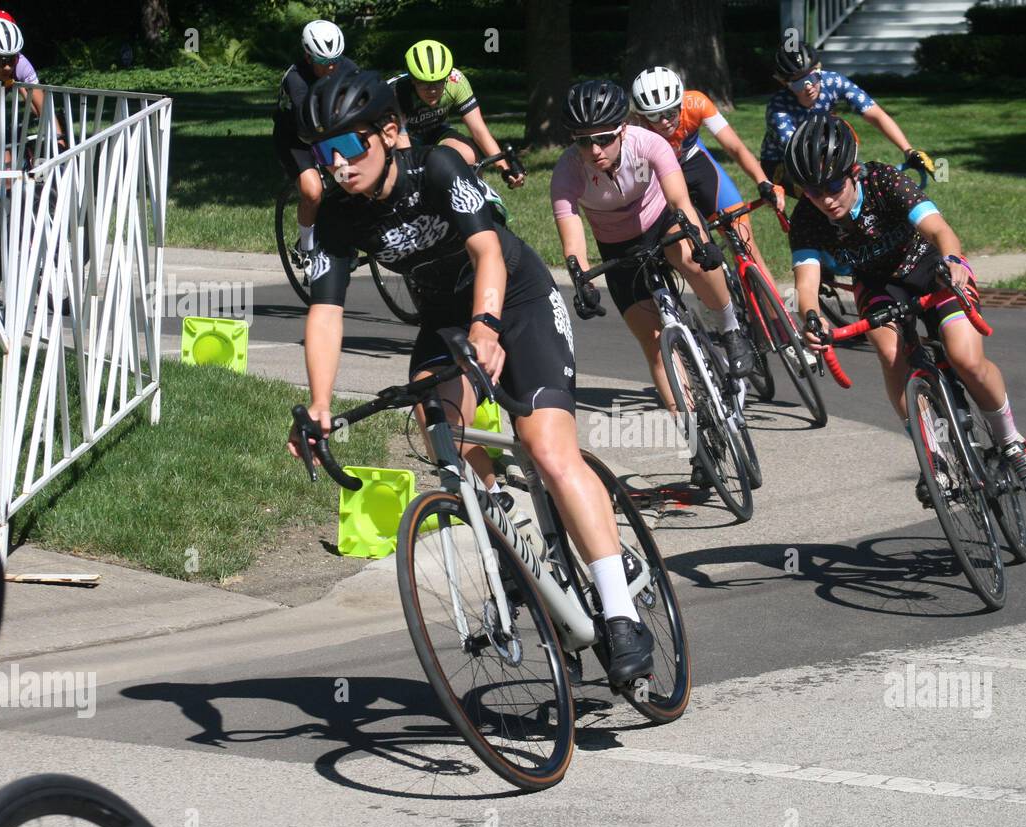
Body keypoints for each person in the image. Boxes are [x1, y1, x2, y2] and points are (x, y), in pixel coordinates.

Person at [284, 69, 655, 684]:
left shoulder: (438, 169)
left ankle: (620, 614)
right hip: (445, 319)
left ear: (391, 132)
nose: (338, 165)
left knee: (546, 447)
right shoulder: (339, 217)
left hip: (517, 301)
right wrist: (319, 404)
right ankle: (508, 546)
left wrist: (486, 324)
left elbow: (487, 250)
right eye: (324, 153)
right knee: (445, 442)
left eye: (349, 146)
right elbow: (325, 310)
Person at [787, 114, 1026, 502]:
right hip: (877, 284)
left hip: (931, 268)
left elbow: (941, 231)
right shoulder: (807, 219)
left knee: (965, 358)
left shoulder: (884, 181)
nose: (825, 199)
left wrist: (954, 262)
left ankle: (1011, 442)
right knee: (891, 356)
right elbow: (806, 283)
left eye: (833, 185)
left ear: (852, 171)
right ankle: (935, 455)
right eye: (811, 191)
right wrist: (811, 317)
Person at [550, 79, 752, 487]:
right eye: (583, 142)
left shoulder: (648, 143)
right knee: (655, 346)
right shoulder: (567, 173)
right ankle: (698, 445)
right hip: (617, 246)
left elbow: (680, 201)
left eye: (603, 139)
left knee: (696, 261)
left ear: (622, 129)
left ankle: (731, 330)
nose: (594, 151)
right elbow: (573, 239)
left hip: (662, 221)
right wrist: (581, 278)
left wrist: (701, 242)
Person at [628, 65, 784, 293]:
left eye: (670, 112)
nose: (664, 122)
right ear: (641, 116)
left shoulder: (696, 103)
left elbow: (735, 147)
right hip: (659, 177)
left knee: (745, 245)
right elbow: (640, 184)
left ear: (681, 104)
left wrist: (763, 181)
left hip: (694, 164)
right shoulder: (637, 129)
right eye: (654, 115)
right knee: (691, 251)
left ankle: (780, 323)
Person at [760, 37, 932, 194]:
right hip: (783, 163)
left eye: (812, 76)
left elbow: (876, 115)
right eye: (797, 82)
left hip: (823, 147)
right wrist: (848, 167)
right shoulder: (778, 109)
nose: (808, 86)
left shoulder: (833, 82)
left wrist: (908, 150)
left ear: (819, 68)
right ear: (784, 82)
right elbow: (802, 152)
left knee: (852, 189)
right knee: (827, 192)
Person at [271, 20, 358, 283]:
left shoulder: (348, 68)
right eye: (323, 60)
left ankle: (340, 230)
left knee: (352, 181)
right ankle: (307, 247)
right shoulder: (295, 78)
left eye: (335, 59)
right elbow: (309, 125)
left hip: (330, 130)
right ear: (308, 56)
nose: (331, 66)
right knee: (312, 191)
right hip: (296, 138)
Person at [390, 39, 523, 187]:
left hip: (435, 130)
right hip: (403, 138)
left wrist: (505, 169)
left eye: (439, 81)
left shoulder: (456, 82)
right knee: (409, 174)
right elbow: (405, 152)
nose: (432, 89)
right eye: (424, 83)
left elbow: (479, 131)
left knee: (468, 155)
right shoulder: (396, 93)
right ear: (413, 79)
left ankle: (475, 198)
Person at [0, 16, 65, 153]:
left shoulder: (21, 64)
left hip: (9, 83)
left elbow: (44, 109)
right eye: (2, 61)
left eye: (11, 59)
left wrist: (60, 145)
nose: (7, 67)